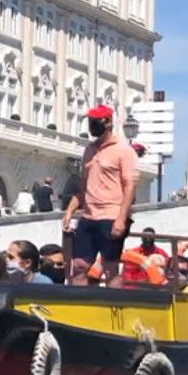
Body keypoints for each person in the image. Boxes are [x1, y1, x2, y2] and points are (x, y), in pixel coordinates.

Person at [62, 104, 139, 286]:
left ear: (108, 122)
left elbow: (129, 186)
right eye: (90, 121)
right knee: (79, 265)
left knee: (110, 268)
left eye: (95, 121)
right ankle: (79, 304)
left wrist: (121, 218)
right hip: (89, 215)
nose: (91, 124)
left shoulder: (124, 151)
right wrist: (69, 211)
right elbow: (84, 187)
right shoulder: (89, 150)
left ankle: (114, 307)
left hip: (111, 215)